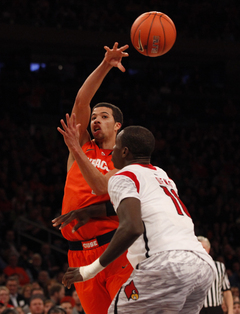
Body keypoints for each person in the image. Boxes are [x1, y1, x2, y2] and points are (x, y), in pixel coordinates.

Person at [60, 125, 217, 314]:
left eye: (116, 147)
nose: (112, 152)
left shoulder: (123, 175)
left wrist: (89, 270)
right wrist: (93, 211)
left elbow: (132, 227)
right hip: (202, 265)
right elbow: (140, 207)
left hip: (165, 262)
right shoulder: (162, 175)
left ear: (124, 151)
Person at [52, 42, 133, 314]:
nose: (95, 120)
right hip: (77, 252)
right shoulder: (82, 145)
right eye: (94, 117)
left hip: (114, 248)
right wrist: (105, 65)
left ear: (117, 125)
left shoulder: (124, 160)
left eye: (104, 116)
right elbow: (81, 102)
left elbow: (116, 196)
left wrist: (93, 212)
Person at [198, 236, 234, 314]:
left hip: (215, 309)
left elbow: (226, 291)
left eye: (203, 248)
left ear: (208, 250)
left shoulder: (219, 267)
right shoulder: (189, 267)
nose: (199, 251)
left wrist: (230, 311)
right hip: (196, 310)